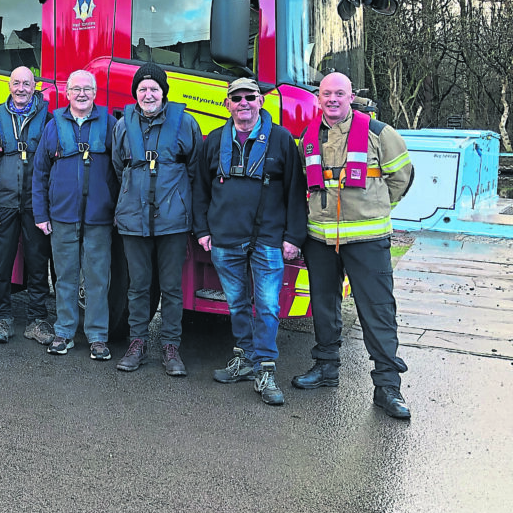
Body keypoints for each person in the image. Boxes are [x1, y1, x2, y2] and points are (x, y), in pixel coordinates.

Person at [292, 72, 415, 420]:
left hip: (367, 239)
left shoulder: (379, 134)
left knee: (377, 311)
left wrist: (376, 208)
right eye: (326, 93)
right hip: (320, 239)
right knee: (324, 306)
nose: (332, 99)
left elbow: (402, 177)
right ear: (319, 98)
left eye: (339, 94)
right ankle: (326, 368)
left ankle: (387, 387)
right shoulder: (309, 136)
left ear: (351, 97)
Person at [194, 77, 307, 405]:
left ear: (260, 102)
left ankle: (265, 368)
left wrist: (292, 237)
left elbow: (295, 193)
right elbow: (200, 189)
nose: (243, 103)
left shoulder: (282, 140)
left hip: (268, 240)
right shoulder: (214, 141)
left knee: (269, 306)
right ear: (227, 104)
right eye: (237, 97)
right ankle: (244, 359)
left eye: (250, 97)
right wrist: (202, 231)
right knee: (237, 304)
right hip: (225, 239)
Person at [111, 62, 203, 376]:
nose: (148, 94)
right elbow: (118, 166)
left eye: (154, 88)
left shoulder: (185, 123)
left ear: (163, 92)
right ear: (135, 93)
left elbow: (195, 168)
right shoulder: (123, 125)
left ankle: (170, 346)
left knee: (172, 287)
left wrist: (179, 202)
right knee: (137, 286)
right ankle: (137, 343)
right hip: (133, 219)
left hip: (173, 220)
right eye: (142, 89)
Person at [33, 70, 118, 360]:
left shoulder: (109, 124)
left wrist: (117, 210)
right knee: (65, 277)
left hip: (99, 217)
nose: (82, 94)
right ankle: (64, 332)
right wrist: (41, 214)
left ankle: (97, 337)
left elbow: (120, 172)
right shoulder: (53, 125)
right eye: (76, 89)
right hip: (62, 216)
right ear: (67, 93)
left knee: (97, 279)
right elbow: (40, 173)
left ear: (96, 93)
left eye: (87, 89)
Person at [0, 66, 54, 345]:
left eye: (26, 83)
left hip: (36, 203)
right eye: (16, 83)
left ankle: (37, 321)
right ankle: (2, 318)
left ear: (35, 85)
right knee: (1, 263)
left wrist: (47, 206)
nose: (21, 88)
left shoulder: (48, 118)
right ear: (9, 86)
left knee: (38, 263)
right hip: (4, 202)